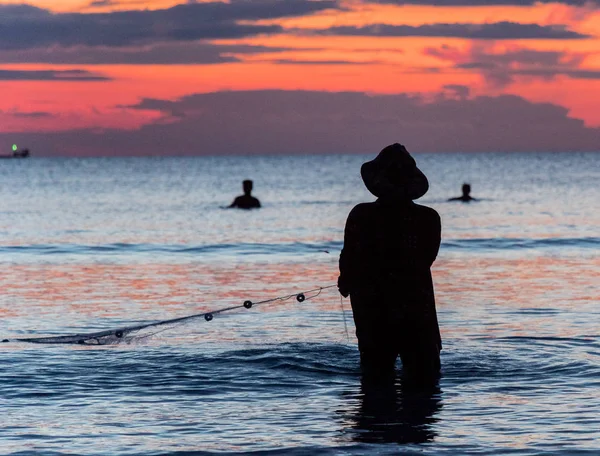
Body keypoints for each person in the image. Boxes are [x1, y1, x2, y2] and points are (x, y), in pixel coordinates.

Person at [338, 143, 442, 384]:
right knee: (424, 383)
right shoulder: (428, 218)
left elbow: (348, 260)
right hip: (417, 307)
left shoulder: (361, 215)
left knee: (375, 377)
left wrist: (347, 280)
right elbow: (427, 258)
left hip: (373, 308)